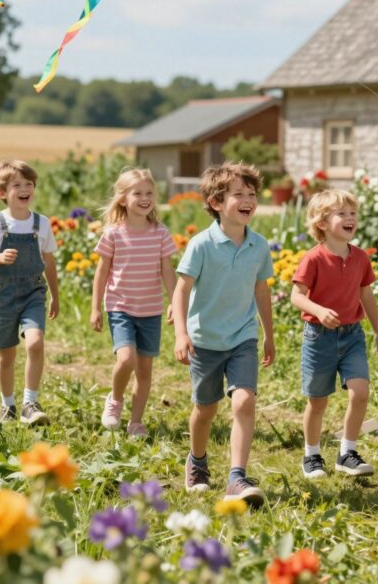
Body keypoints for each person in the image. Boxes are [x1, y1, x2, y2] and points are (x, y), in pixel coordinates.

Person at [172, 162, 275, 508]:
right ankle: (197, 460)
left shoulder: (259, 246)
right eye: (238, 194)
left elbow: (261, 292)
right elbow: (181, 289)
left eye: (252, 194)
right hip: (204, 340)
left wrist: (268, 335)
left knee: (244, 401)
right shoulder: (201, 244)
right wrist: (181, 334)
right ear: (216, 202)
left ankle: (236, 476)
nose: (248, 200)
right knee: (206, 410)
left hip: (242, 338)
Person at [290, 189, 378, 479]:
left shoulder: (360, 257)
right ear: (321, 222)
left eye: (353, 213)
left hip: (352, 335)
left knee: (360, 392)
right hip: (319, 338)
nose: (350, 218)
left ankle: (347, 452)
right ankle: (312, 454)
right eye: (341, 214)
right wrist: (318, 311)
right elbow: (297, 296)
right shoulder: (314, 259)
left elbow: (366, 295)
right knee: (317, 402)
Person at [91, 168, 177, 438]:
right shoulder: (114, 233)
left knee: (144, 371)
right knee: (126, 359)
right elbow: (102, 272)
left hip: (151, 311)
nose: (145, 197)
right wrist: (95, 307)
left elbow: (167, 271)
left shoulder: (160, 233)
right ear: (122, 199)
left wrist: (175, 301)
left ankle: (136, 422)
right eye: (137, 193)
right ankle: (115, 400)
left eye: (149, 193)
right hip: (121, 307)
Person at [0, 159, 59, 425]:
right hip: (3, 295)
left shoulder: (41, 223)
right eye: (17, 185)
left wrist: (55, 294)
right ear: (2, 193)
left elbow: (49, 261)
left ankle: (30, 403)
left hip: (33, 291)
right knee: (7, 354)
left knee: (35, 342)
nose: (25, 189)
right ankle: (7, 404)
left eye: (29, 184)